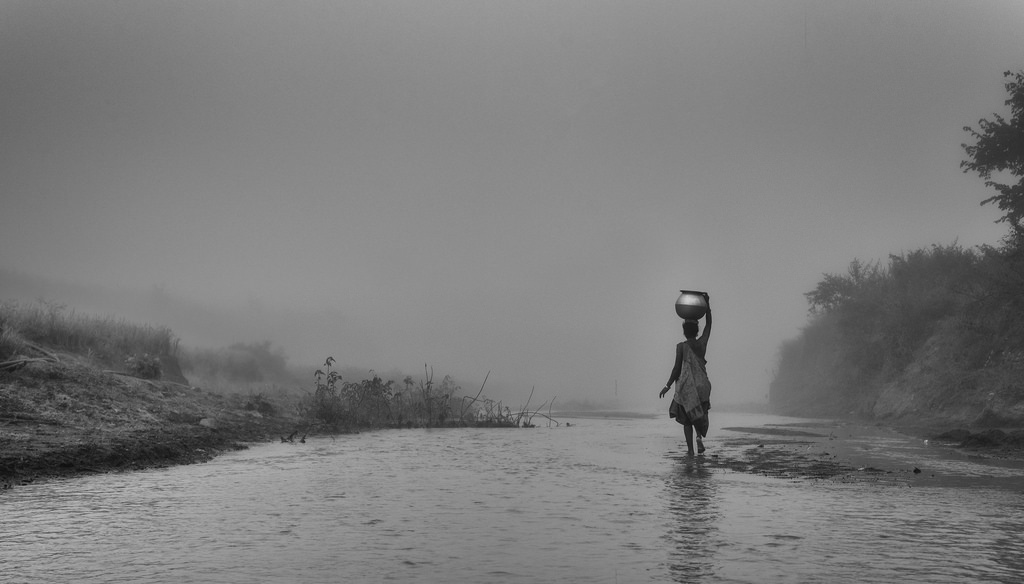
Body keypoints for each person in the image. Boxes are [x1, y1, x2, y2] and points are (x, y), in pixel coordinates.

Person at [659, 293, 712, 455]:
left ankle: (690, 451)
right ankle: (699, 437)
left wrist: (667, 386)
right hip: (702, 386)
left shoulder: (681, 347)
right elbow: (709, 325)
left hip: (688, 387)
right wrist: (707, 306)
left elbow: (676, 369)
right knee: (699, 414)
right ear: (697, 331)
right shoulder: (702, 343)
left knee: (688, 418)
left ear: (684, 331)